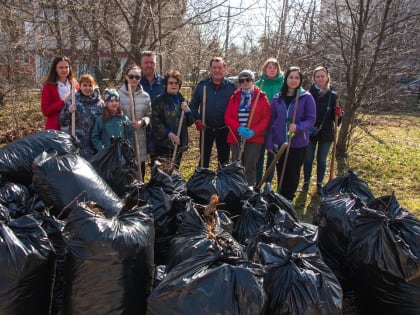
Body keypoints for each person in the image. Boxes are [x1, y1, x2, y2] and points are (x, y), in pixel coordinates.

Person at [266, 66, 316, 201]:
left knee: (292, 173)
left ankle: (288, 199)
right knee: (281, 170)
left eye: (297, 78)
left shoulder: (306, 97)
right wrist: (270, 142)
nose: (293, 80)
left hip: (298, 143)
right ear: (286, 78)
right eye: (291, 77)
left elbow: (311, 119)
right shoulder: (278, 98)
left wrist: (298, 127)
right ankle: (280, 197)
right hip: (280, 142)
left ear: (300, 80)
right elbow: (272, 121)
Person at [224, 70, 271, 186]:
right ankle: (236, 189)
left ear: (253, 81)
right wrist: (238, 128)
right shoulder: (235, 96)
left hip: (254, 138)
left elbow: (266, 118)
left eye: (248, 79)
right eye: (241, 80)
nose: (245, 82)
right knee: (237, 165)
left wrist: (254, 131)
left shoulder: (261, 97)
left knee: (250, 166)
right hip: (236, 136)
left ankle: (248, 191)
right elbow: (228, 116)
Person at [190, 57, 236, 168]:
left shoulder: (231, 87)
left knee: (223, 160)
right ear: (210, 69)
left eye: (220, 68)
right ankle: (203, 181)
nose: (217, 70)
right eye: (214, 68)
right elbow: (193, 105)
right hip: (206, 128)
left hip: (224, 128)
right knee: (204, 159)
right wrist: (197, 119)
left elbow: (236, 107)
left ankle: (222, 182)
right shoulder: (202, 85)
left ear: (225, 69)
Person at [302, 66, 343, 193]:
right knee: (308, 158)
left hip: (326, 132)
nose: (320, 79)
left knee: (321, 159)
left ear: (327, 77)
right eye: (317, 76)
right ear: (314, 78)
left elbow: (337, 119)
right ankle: (306, 183)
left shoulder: (333, 95)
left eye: (322, 76)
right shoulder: (308, 94)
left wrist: (339, 113)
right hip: (310, 131)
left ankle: (319, 184)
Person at [151, 70, 195, 167]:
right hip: (163, 144)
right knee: (162, 174)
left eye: (176, 83)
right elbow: (155, 122)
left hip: (178, 143)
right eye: (171, 83)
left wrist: (188, 112)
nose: (174, 85)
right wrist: (170, 134)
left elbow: (190, 122)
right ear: (166, 85)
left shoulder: (182, 100)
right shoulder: (159, 100)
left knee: (174, 173)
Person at [255, 58, 285, 187]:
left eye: (274, 68)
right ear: (265, 69)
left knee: (272, 154)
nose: (272, 70)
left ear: (278, 70)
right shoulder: (258, 84)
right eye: (269, 67)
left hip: (276, 125)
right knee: (259, 155)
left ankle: (268, 182)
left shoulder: (284, 85)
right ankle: (257, 181)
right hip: (261, 125)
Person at [59, 74, 104, 159]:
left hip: (95, 146)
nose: (87, 88)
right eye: (85, 85)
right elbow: (62, 122)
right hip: (77, 146)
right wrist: (68, 112)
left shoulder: (100, 104)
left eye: (90, 85)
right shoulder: (73, 102)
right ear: (80, 86)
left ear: (94, 86)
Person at [118, 65, 152, 177]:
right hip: (124, 137)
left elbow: (149, 115)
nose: (134, 79)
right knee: (125, 169)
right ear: (126, 77)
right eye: (131, 76)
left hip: (140, 138)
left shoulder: (145, 96)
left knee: (140, 169)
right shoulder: (118, 95)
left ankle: (140, 191)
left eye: (137, 77)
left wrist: (142, 122)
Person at [41, 56, 78, 130]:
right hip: (56, 128)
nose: (64, 70)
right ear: (55, 69)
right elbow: (46, 111)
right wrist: (64, 101)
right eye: (61, 67)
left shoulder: (75, 84)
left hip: (74, 127)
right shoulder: (48, 86)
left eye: (66, 67)